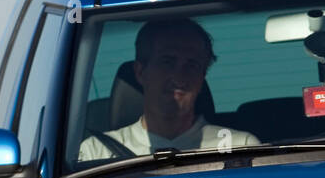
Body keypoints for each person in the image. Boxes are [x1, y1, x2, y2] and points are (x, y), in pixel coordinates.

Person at [79, 18, 259, 161]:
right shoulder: (97, 152)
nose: (180, 77)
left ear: (202, 78)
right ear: (140, 72)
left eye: (192, 65)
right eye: (168, 62)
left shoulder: (238, 148)